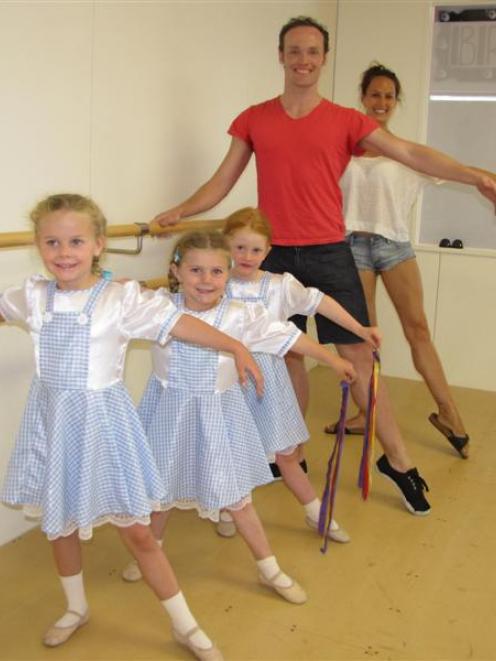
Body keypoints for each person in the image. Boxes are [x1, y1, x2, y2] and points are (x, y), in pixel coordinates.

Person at [150, 16, 496, 516]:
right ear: (281, 56)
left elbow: (409, 152)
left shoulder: (345, 121)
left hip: (331, 253)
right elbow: (223, 180)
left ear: (324, 58)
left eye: (313, 52)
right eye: (295, 51)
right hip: (270, 259)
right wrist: (182, 211)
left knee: (359, 362)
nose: (304, 60)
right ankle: (291, 454)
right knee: (285, 357)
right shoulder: (254, 118)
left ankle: (397, 460)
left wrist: (471, 176)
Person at [0, 193, 267, 661]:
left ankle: (185, 624)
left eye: (76, 241)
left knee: (139, 532)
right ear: (39, 247)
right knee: (59, 524)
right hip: (52, 427)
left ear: (99, 244)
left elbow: (180, 323)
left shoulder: (121, 298)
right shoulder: (31, 297)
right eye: (52, 242)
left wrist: (235, 347)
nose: (64, 252)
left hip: (106, 425)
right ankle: (75, 607)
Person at [120, 230, 356, 597]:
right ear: (176, 271)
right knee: (161, 491)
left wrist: (332, 359)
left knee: (238, 499)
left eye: (216, 272)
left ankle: (269, 568)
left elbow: (288, 337)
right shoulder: (160, 309)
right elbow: (114, 301)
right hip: (169, 412)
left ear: (227, 274)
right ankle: (150, 553)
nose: (206, 280)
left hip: (219, 415)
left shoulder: (239, 315)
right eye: (195, 270)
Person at [324, 63, 469, 459]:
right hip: (351, 248)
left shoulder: (405, 153)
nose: (381, 102)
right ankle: (363, 413)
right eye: (375, 94)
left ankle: (449, 413)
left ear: (396, 102)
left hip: (395, 247)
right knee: (363, 339)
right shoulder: (342, 152)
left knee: (417, 329)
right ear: (363, 98)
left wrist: (486, 180)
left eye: (389, 96)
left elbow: (456, 170)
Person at [218, 206, 381, 543]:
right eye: (239, 248)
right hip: (228, 382)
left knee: (287, 455)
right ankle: (227, 507)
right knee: (230, 449)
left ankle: (314, 511)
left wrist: (360, 328)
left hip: (270, 383)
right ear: (226, 247)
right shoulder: (216, 283)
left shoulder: (279, 286)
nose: (247, 256)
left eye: (256, 249)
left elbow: (320, 303)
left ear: (268, 251)